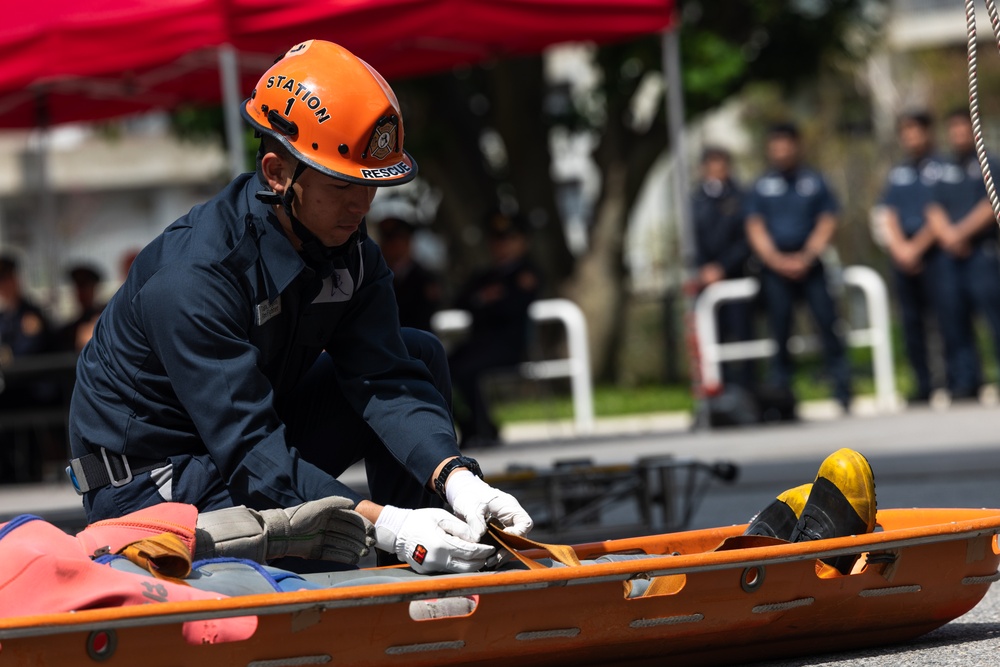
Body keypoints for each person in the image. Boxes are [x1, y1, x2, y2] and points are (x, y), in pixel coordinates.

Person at [67, 39, 532, 575]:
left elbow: (385, 378)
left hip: (240, 447)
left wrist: (457, 478)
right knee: (304, 584)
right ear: (276, 173)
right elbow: (251, 450)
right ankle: (407, 546)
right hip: (155, 485)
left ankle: (433, 563)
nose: (360, 207)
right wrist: (389, 524)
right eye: (341, 186)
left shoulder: (350, 251)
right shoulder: (194, 277)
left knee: (418, 352)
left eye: (369, 186)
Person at [745, 122, 852, 413]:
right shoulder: (761, 185)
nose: (780, 150)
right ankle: (781, 395)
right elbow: (755, 226)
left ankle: (842, 389)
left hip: (811, 265)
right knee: (779, 332)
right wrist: (777, 260)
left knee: (828, 325)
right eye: (775, 144)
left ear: (796, 145)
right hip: (775, 268)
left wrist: (807, 256)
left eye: (785, 143)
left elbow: (828, 219)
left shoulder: (814, 181)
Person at [448, 212, 542, 449]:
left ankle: (481, 429)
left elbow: (512, 308)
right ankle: (472, 426)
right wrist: (485, 300)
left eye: (509, 239)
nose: (502, 245)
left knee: (466, 369)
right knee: (439, 367)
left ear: (523, 242)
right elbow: (461, 301)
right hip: (479, 344)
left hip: (508, 347)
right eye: (498, 239)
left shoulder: (526, 273)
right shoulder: (485, 275)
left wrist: (485, 303)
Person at [925, 109, 1000, 402]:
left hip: (981, 253)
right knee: (953, 321)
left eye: (962, 128)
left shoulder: (988, 163)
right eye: (952, 129)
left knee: (994, 318)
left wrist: (960, 234)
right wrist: (947, 235)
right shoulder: (940, 168)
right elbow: (932, 207)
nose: (957, 134)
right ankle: (965, 382)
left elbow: (990, 204)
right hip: (949, 257)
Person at [877, 111, 943, 404]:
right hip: (904, 256)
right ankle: (923, 383)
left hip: (936, 255)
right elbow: (887, 213)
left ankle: (959, 380)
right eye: (905, 132)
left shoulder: (944, 168)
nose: (910, 137)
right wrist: (901, 247)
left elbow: (941, 212)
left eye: (915, 130)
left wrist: (917, 246)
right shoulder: (898, 173)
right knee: (911, 324)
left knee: (946, 321)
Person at [689, 146, 755, 390]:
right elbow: (691, 240)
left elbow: (746, 239)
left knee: (743, 337)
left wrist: (723, 267)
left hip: (735, 276)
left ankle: (748, 389)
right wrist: (704, 269)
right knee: (711, 338)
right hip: (706, 282)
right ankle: (719, 390)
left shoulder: (741, 197)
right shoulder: (695, 201)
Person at [376, 216, 442, 331]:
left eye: (397, 239)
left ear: (407, 242)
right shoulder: (377, 273)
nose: (391, 246)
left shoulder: (425, 278)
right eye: (387, 239)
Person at [0, 254, 50, 361]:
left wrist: (7, 354)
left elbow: (26, 351)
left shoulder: (30, 315)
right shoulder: (4, 316)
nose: (3, 286)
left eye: (5, 279)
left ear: (15, 279)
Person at [54, 264, 105, 353]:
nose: (81, 292)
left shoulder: (105, 318)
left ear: (94, 288)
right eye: (78, 286)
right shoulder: (69, 329)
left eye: (85, 286)